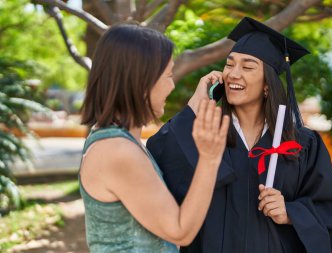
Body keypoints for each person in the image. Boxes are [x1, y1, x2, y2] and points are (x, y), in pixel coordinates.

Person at [147, 17, 332, 253]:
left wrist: (291, 213)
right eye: (230, 64)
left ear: (267, 85)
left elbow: (330, 209)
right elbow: (158, 155)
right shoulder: (205, 132)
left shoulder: (301, 144)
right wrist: (194, 106)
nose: (233, 73)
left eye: (248, 66)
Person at [79, 23, 230, 252]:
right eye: (168, 75)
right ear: (142, 80)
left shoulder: (117, 139)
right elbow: (181, 231)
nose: (172, 85)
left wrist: (196, 105)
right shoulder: (118, 151)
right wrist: (209, 158)